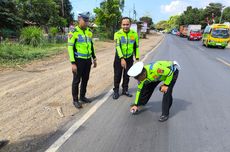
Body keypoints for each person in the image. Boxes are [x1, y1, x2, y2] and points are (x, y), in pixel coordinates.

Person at [67, 12, 97, 109]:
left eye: (88, 20)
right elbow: (70, 48)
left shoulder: (89, 31)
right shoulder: (73, 32)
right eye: (85, 20)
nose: (87, 22)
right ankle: (75, 100)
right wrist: (73, 63)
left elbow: (91, 46)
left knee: (85, 79)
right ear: (79, 20)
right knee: (76, 81)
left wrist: (94, 58)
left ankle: (82, 97)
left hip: (87, 60)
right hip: (78, 61)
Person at [113, 17, 140, 99]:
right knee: (117, 75)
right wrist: (122, 58)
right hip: (119, 58)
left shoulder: (134, 34)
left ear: (130, 25)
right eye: (124, 24)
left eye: (127, 24)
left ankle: (125, 90)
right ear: (121, 25)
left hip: (129, 58)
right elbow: (117, 47)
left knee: (127, 75)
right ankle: (116, 91)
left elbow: (136, 47)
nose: (125, 26)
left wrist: (137, 58)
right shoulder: (117, 34)